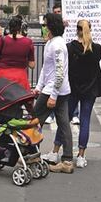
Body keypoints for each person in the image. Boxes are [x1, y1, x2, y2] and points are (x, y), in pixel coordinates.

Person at [47, 19, 101, 168]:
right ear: (89, 29)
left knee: (64, 120)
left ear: (76, 30)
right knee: (85, 120)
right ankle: (81, 156)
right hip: (90, 88)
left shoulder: (70, 47)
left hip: (73, 88)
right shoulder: (97, 48)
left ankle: (55, 151)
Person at [32, 12, 72, 173]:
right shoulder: (52, 43)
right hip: (53, 89)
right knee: (63, 124)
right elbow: (46, 68)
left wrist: (53, 95)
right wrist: (38, 86)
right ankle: (67, 160)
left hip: (54, 90)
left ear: (51, 27)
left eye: (46, 25)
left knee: (34, 121)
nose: (44, 28)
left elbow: (59, 71)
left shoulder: (57, 46)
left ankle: (32, 154)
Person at [0, 16, 35, 89]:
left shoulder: (3, 40)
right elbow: (32, 65)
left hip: (2, 77)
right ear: (21, 28)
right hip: (20, 77)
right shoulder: (28, 42)